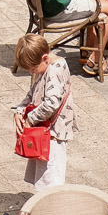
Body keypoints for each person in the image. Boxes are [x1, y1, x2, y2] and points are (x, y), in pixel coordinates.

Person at [13, 33, 78, 190]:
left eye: (33, 68)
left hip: (52, 133)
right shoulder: (46, 68)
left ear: (44, 58)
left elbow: (51, 103)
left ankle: (49, 211)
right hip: (47, 132)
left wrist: (29, 119)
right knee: (44, 178)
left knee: (50, 182)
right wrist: (19, 111)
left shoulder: (54, 71)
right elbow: (33, 92)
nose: (32, 72)